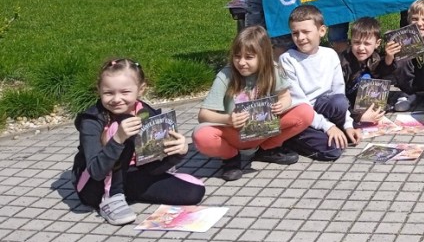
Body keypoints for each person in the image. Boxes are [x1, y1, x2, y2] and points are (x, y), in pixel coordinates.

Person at [72, 58, 205, 225]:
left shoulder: (145, 112)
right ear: (99, 90)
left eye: (125, 92)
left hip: (131, 174)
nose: (116, 99)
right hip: (94, 185)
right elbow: (95, 171)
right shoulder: (91, 121)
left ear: (141, 89)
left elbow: (152, 167)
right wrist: (118, 138)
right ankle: (111, 198)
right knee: (123, 126)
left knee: (194, 191)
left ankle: (125, 191)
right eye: (108, 93)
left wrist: (177, 153)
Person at [193, 26, 313, 181]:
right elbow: (203, 115)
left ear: (263, 56)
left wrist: (282, 105)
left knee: (305, 112)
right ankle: (230, 157)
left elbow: (286, 97)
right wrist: (228, 119)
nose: (241, 62)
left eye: (249, 57)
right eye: (237, 56)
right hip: (234, 133)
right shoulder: (226, 75)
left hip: (263, 130)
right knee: (201, 136)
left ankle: (267, 149)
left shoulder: (273, 70)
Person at [280, 6, 360, 160]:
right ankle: (291, 139)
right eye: (295, 33)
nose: (300, 37)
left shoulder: (330, 55)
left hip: (323, 107)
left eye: (306, 32)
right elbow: (299, 102)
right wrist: (328, 126)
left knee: (339, 102)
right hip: (302, 114)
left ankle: (334, 130)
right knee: (333, 150)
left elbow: (339, 93)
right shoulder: (287, 60)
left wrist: (348, 125)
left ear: (322, 31)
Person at [342, 16, 399, 122]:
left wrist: (389, 57)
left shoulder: (375, 57)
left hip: (364, 101)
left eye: (367, 43)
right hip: (347, 103)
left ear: (377, 43)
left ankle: (373, 106)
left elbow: (382, 74)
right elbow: (338, 96)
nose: (361, 48)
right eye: (357, 42)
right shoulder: (344, 64)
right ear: (351, 42)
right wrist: (358, 116)